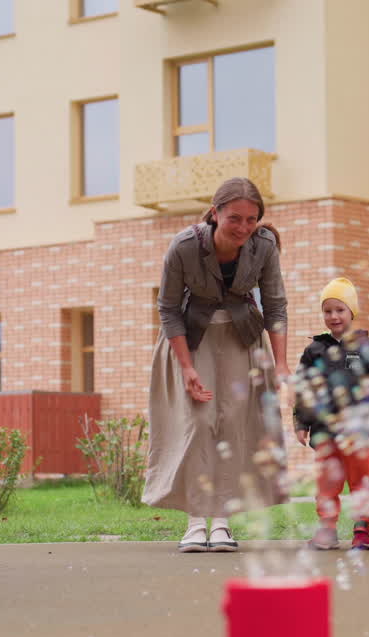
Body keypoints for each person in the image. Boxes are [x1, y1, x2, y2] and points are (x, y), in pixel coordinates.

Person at [145, 177, 291, 553]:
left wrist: (281, 364)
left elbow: (275, 305)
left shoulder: (264, 245)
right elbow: (168, 308)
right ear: (215, 214)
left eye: (252, 219)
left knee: (232, 425)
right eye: (234, 218)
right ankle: (196, 522)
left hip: (242, 340)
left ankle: (222, 522)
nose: (244, 227)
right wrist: (187, 367)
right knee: (199, 422)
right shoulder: (184, 247)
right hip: (193, 341)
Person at [293, 277, 369, 551]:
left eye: (340, 310)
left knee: (362, 479)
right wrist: (300, 422)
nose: (333, 316)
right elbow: (304, 388)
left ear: (352, 311)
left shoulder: (367, 347)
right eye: (327, 311)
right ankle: (327, 528)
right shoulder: (314, 350)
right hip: (324, 430)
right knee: (327, 483)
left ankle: (362, 529)